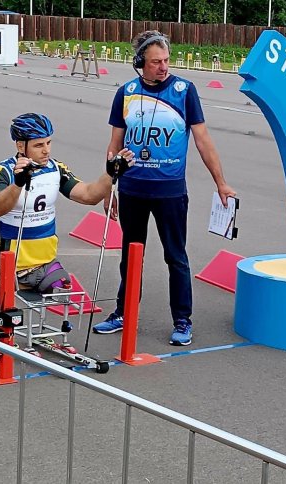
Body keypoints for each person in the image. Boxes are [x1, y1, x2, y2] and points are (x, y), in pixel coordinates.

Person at [93, 31, 236, 345]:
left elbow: (203, 141)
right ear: (140, 62)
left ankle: (182, 320)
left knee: (175, 256)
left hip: (169, 190)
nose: (163, 67)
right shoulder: (126, 93)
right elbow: (114, 146)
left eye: (166, 61)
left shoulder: (185, 91)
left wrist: (221, 182)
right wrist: (108, 188)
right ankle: (123, 312)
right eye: (156, 62)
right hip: (132, 188)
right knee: (131, 255)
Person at [0, 113, 133, 293]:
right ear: (20, 145)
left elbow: (88, 195)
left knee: (62, 293)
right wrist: (18, 183)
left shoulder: (55, 168)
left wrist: (111, 174)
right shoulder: (2, 172)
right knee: (14, 317)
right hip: (13, 266)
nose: (46, 150)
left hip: (47, 264)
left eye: (48, 143)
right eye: (38, 145)